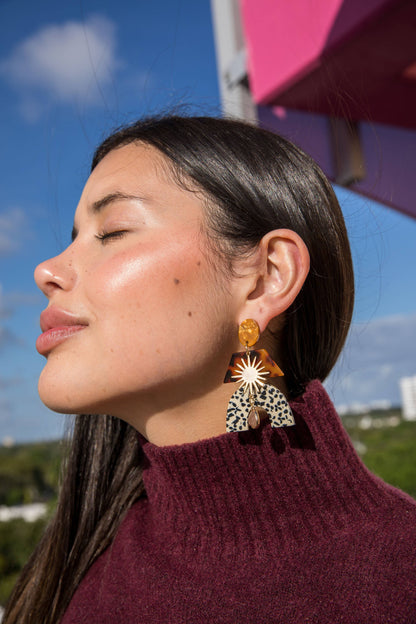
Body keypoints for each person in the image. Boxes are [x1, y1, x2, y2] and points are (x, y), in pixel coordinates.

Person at [4, 115, 416, 624]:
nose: (47, 271)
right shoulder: (77, 579)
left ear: (268, 278)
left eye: (112, 231)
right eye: (73, 237)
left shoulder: (400, 579)